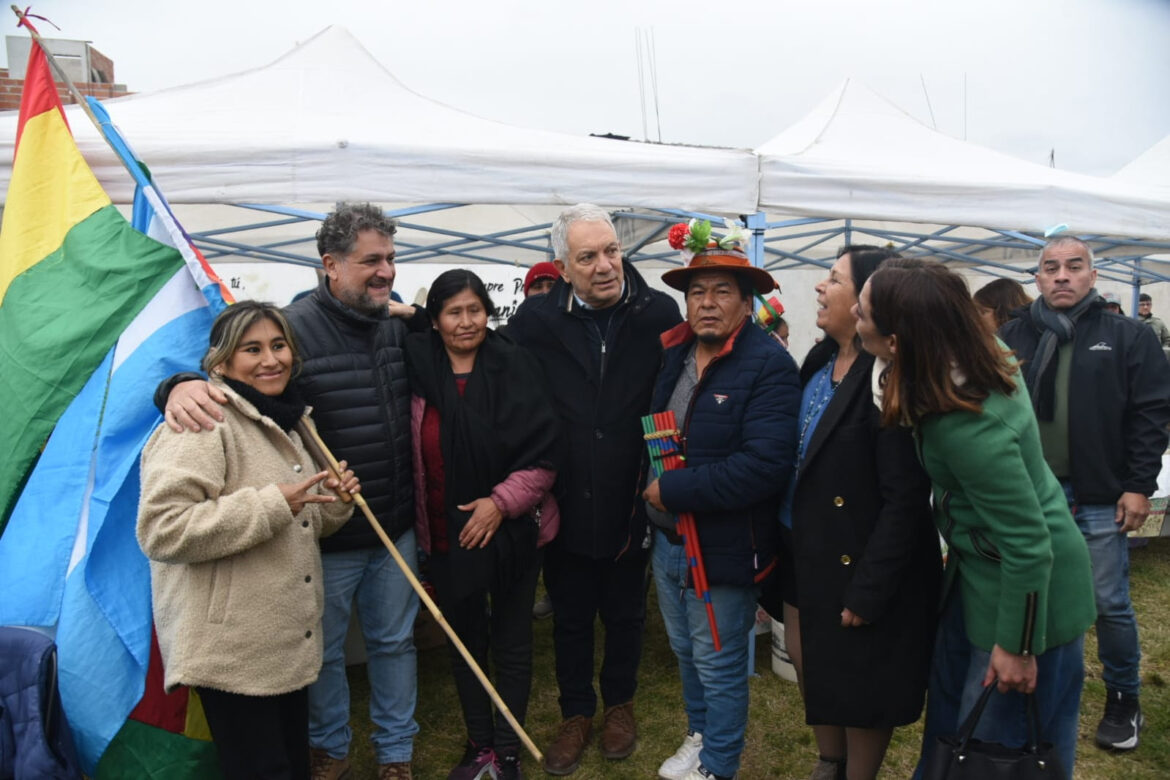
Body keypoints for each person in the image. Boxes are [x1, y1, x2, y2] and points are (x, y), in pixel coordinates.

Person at [157, 203, 427, 780]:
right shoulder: (288, 328)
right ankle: (329, 748)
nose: (386, 272)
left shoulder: (393, 326)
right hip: (316, 547)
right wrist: (175, 386)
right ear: (330, 264)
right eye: (371, 261)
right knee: (318, 656)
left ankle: (395, 753)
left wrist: (333, 495)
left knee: (393, 644)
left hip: (386, 523)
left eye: (391, 259)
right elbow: (224, 379)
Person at [855, 259, 1095, 779]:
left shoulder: (967, 427)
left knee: (999, 746)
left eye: (865, 309)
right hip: (978, 578)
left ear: (898, 340)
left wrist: (1018, 646)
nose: (854, 310)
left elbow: (1029, 544)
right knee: (954, 731)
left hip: (1029, 590)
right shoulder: (966, 358)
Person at [137, 301, 360, 780]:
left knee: (289, 766)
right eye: (252, 349)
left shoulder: (291, 419)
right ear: (221, 363)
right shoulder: (202, 421)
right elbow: (163, 528)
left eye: (278, 345)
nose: (271, 360)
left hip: (281, 642)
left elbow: (306, 522)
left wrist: (336, 500)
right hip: (231, 650)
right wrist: (273, 504)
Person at [507, 204, 682, 775]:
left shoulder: (658, 311)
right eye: (588, 257)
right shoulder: (536, 323)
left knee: (627, 612)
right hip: (564, 498)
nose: (605, 266)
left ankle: (621, 707)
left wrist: (665, 477)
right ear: (563, 265)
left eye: (611, 251)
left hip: (632, 493)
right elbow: (499, 378)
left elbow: (672, 400)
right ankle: (576, 713)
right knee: (571, 615)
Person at [999, 236, 1170, 752]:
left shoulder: (1127, 335)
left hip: (1097, 494)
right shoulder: (1012, 335)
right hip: (1031, 494)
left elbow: (1150, 414)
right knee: (1034, 596)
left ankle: (1123, 697)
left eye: (1074, 267)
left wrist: (1139, 485)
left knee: (1108, 601)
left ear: (1092, 276)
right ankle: (1036, 685)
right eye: (1050, 268)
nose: (1062, 276)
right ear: (1037, 278)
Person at [776, 246, 940, 780]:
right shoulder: (820, 359)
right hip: (807, 547)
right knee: (810, 660)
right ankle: (830, 761)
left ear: (868, 299)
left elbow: (906, 499)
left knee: (860, 676)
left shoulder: (886, 377)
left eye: (833, 279)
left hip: (861, 559)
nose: (820, 289)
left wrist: (870, 588)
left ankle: (857, 774)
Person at [643, 226, 799, 780]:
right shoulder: (678, 353)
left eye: (721, 291)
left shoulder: (769, 365)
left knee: (721, 662)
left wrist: (674, 490)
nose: (706, 303)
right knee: (688, 654)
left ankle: (720, 766)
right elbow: (662, 429)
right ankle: (702, 736)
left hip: (725, 545)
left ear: (746, 300)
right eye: (697, 291)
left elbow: (764, 466)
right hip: (668, 539)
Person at [407, 270, 560, 780]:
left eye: (476, 310)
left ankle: (509, 749)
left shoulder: (516, 365)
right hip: (448, 535)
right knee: (465, 642)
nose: (467, 321)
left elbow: (544, 454)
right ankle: (479, 745)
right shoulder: (417, 366)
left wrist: (499, 503)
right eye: (454, 312)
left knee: (513, 640)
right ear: (435, 319)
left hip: (511, 533)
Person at [1137, 292, 1170, 360]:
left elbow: (1167, 340)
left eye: (1148, 304)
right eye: (1142, 304)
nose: (1146, 307)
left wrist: (1162, 352)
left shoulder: (1158, 323)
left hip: (1155, 359)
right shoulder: (1131, 322)